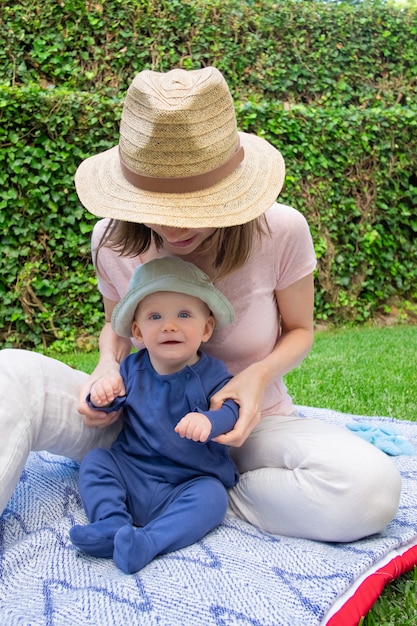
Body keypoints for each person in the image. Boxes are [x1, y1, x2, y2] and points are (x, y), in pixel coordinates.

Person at [0, 66, 401, 543]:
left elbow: (300, 330)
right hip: (134, 429)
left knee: (370, 489)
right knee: (12, 373)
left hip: (246, 432)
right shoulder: (109, 237)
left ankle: (200, 499)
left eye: (198, 202)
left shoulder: (282, 230)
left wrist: (254, 379)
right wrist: (107, 366)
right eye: (156, 204)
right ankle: (163, 489)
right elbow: (118, 324)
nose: (174, 227)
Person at [69, 257, 239, 573]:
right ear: (137, 330)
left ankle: (147, 542)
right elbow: (110, 403)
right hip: (133, 470)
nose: (169, 325)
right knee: (97, 462)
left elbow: (232, 409)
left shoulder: (213, 373)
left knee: (213, 498)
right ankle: (110, 524)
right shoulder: (132, 368)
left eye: (184, 315)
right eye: (155, 316)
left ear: (206, 328)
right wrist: (102, 397)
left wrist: (209, 421)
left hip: (187, 480)